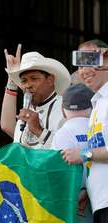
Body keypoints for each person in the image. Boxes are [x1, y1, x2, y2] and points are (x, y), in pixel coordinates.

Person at [62, 39, 108, 223]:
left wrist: (83, 153)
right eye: (80, 65)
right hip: (99, 202)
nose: (84, 70)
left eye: (91, 61)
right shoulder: (98, 103)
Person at [0, 44, 71, 149]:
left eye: (34, 78)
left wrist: (38, 131)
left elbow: (70, 152)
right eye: (24, 81)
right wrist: (12, 78)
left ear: (50, 80)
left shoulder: (65, 108)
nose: (28, 85)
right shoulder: (25, 114)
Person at [51, 84, 94, 222]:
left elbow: (58, 173)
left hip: (75, 201)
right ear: (93, 107)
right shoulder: (99, 130)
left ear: (63, 111)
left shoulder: (62, 134)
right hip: (100, 197)